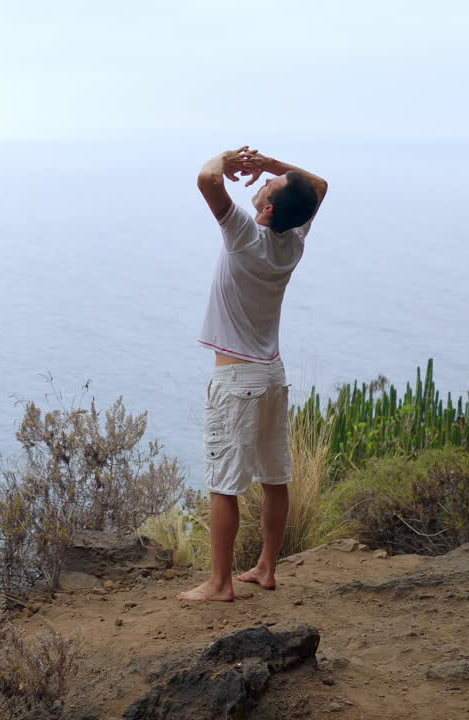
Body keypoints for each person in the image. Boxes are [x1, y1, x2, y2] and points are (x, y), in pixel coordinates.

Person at [178, 146, 328, 602]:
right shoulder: (294, 239)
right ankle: (266, 567)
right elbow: (317, 187)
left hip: (237, 377)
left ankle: (219, 583)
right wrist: (272, 167)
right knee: (274, 476)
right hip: (272, 375)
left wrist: (229, 159)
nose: (262, 184)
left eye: (266, 187)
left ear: (265, 210)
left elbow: (207, 179)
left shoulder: (245, 235)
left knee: (224, 484)